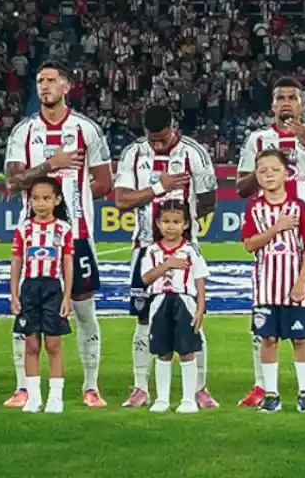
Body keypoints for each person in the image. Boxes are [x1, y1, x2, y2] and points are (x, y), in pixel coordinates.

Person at [4, 62, 114, 408]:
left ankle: (91, 386)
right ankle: (24, 388)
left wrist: (71, 203)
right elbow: (12, 182)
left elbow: (104, 183)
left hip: (76, 235)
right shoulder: (23, 132)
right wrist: (51, 165)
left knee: (83, 311)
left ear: (67, 86)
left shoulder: (87, 129)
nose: (45, 85)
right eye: (40, 80)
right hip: (32, 236)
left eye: (52, 80)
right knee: (26, 313)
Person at [235, 77, 305, 408]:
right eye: (280, 97)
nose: (286, 103)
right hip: (270, 246)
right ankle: (261, 386)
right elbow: (241, 188)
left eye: (292, 98)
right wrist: (267, 168)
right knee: (263, 317)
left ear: (302, 103)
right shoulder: (258, 139)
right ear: (272, 105)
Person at [113, 105, 218, 410]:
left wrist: (180, 225)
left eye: (162, 137)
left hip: (186, 248)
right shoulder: (134, 153)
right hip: (145, 247)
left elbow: (209, 200)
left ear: (174, 126)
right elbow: (121, 200)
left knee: (192, 317)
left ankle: (199, 388)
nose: (157, 144)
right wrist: (160, 187)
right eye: (152, 138)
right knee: (143, 318)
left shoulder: (194, 153)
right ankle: (140, 387)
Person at [241, 149, 305, 413]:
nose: (269, 175)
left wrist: (302, 281)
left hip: (294, 287)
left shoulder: (299, 207)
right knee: (268, 339)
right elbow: (249, 244)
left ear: (286, 174)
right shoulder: (254, 208)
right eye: (262, 171)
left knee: (300, 339)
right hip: (265, 289)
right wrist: (276, 228)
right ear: (256, 175)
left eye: (274, 170)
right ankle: (271, 395)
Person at [9, 177, 75, 414]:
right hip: (29, 288)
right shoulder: (24, 229)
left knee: (53, 343)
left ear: (57, 200)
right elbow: (16, 261)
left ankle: (55, 397)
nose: (40, 203)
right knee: (31, 343)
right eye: (35, 198)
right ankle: (34, 396)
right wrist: (14, 294)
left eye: (46, 198)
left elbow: (68, 263)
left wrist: (67, 296)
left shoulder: (64, 229)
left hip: (53, 288)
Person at [139, 202, 209, 414]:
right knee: (163, 351)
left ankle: (188, 399)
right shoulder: (151, 251)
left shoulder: (190, 250)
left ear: (185, 224)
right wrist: (167, 265)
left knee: (187, 350)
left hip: (184, 301)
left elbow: (199, 281)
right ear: (158, 224)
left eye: (176, 222)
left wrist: (200, 309)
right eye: (166, 221)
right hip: (159, 302)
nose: (171, 226)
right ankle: (162, 399)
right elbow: (146, 278)